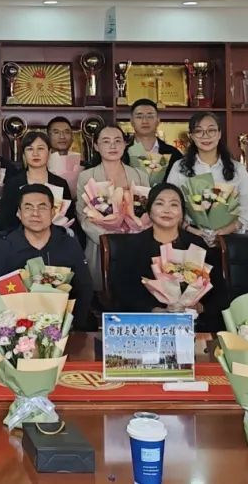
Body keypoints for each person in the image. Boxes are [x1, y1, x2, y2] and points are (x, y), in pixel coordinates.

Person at [108, 183, 224, 331]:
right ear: (149, 210)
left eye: (174, 205)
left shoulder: (197, 244)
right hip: (148, 325)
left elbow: (218, 289)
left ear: (182, 213)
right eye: (160, 203)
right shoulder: (132, 245)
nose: (167, 210)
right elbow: (122, 290)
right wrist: (154, 310)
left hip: (193, 323)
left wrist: (200, 307)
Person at [0, 184, 92, 331]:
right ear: (19, 213)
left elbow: (84, 288)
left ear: (53, 212)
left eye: (42, 207)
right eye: (28, 208)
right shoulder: (5, 246)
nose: (35, 213)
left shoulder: (68, 243)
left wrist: (72, 327)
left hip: (62, 326)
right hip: (17, 328)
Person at [76, 125, 149, 290]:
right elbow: (83, 217)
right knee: (102, 292)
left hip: (135, 245)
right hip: (100, 246)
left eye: (117, 141)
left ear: (125, 144)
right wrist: (109, 239)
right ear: (96, 146)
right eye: (106, 141)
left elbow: (148, 213)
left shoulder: (140, 176)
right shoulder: (86, 176)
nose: (113, 146)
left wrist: (134, 234)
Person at [166, 112, 248, 237]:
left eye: (211, 130)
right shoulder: (179, 168)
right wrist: (192, 230)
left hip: (229, 237)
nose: (206, 136)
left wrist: (228, 229)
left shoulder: (237, 169)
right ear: (191, 136)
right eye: (199, 131)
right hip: (190, 236)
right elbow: (170, 204)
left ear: (219, 134)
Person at [0, 132, 77, 234]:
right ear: (24, 154)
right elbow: (5, 220)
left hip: (55, 238)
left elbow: (69, 217)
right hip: (19, 238)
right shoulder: (13, 183)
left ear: (49, 152)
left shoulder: (60, 183)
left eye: (40, 148)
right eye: (30, 149)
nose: (35, 153)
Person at [123, 99, 182, 181]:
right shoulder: (122, 154)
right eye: (139, 117)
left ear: (158, 121)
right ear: (132, 122)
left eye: (150, 116)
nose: (145, 121)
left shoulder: (174, 154)